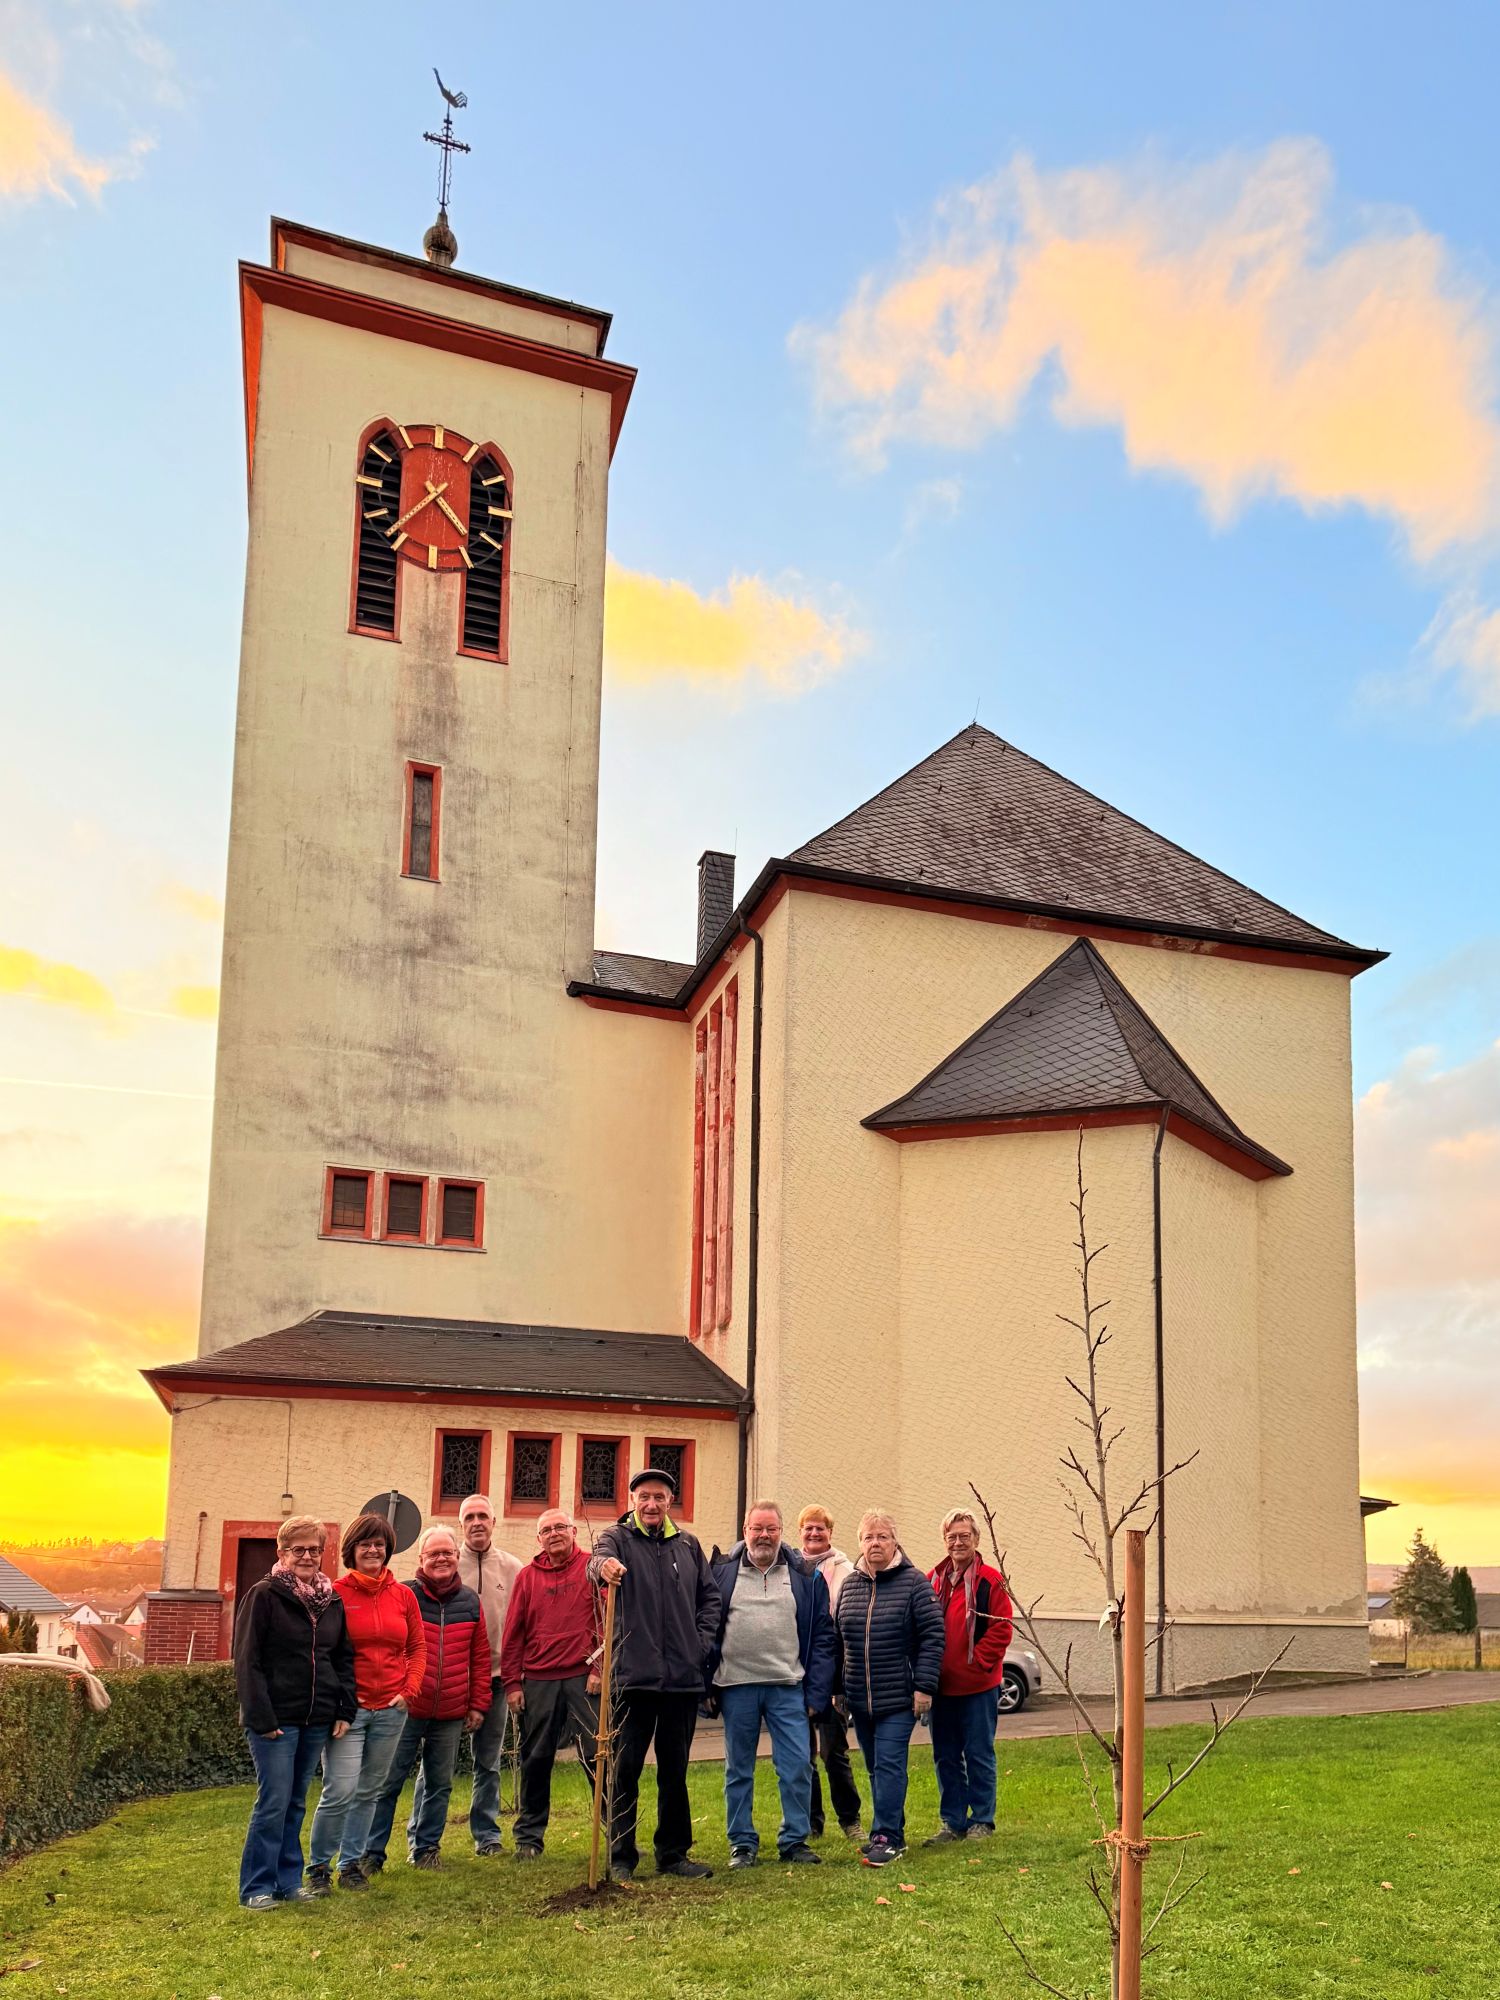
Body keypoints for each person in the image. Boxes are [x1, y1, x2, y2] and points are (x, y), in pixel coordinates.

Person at [588, 1465, 721, 1883]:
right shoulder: (617, 1539)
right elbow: (595, 1561)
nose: (651, 1504)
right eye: (643, 1496)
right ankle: (622, 1856)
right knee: (624, 1769)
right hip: (633, 1678)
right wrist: (604, 1567)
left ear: (669, 1503)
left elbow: (710, 1597)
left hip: (681, 1681)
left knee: (674, 1771)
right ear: (633, 1501)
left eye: (659, 1497)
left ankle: (673, 1854)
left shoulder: (687, 1545)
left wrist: (699, 1645)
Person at [233, 1515, 357, 1909]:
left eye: (314, 1549)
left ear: (323, 1553)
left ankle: (288, 1882)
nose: (307, 1556)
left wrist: (343, 1708)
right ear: (282, 1553)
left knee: (296, 1801)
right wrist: (262, 1718)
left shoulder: (330, 1599)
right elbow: (246, 1660)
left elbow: (341, 1658)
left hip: (317, 1718)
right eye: (298, 1549)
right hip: (276, 1722)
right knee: (273, 1801)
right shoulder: (265, 1594)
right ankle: (256, 1887)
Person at [707, 1500, 836, 1870]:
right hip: (736, 1686)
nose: (764, 1536)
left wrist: (817, 1692)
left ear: (781, 1532)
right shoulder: (722, 1573)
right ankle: (742, 1843)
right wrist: (707, 1686)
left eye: (771, 1529)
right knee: (738, 1769)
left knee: (797, 1766)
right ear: (745, 1531)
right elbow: (707, 1626)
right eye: (757, 1528)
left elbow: (823, 1636)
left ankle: (794, 1840)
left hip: (788, 1686)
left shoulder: (804, 1574)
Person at [304, 1513, 426, 1893]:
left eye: (379, 1544)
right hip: (348, 1712)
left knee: (370, 1791)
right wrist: (340, 1699)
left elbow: (417, 1647)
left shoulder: (404, 1595)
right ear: (351, 1551)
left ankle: (351, 1864)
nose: (373, 1550)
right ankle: (319, 1868)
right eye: (365, 1544)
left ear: (388, 1549)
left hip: (391, 1711)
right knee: (339, 1789)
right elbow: (321, 1652)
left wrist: (409, 1690)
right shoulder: (334, 1594)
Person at [362, 1526, 491, 1872]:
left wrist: (478, 1704)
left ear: (457, 1556)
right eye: (433, 1553)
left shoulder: (470, 1601)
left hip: (449, 1712)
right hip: (404, 1710)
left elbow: (480, 1659)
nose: (441, 1559)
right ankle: (371, 1853)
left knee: (439, 1785)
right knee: (387, 1784)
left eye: (447, 1552)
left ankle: (426, 1849)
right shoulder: (403, 1595)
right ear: (421, 1559)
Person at [833, 1508, 944, 1868]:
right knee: (875, 1767)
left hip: (899, 1697)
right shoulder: (850, 1585)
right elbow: (839, 1641)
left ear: (895, 1541)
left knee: (890, 1764)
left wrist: (924, 1687)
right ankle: (888, 1829)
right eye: (868, 1537)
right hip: (859, 1699)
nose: (875, 1543)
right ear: (860, 1543)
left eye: (882, 1536)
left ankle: (888, 1837)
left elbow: (932, 1637)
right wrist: (839, 1688)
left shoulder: (914, 1583)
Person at [501, 1507, 602, 1859]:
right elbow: (513, 1633)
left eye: (561, 1527)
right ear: (539, 1539)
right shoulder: (527, 1577)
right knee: (536, 1758)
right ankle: (529, 1839)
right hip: (539, 1680)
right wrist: (512, 1683)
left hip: (584, 1679)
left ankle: (615, 1833)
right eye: (547, 1530)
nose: (554, 1533)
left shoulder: (592, 1567)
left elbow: (608, 1619)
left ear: (574, 1531)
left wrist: (600, 1667)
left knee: (599, 1756)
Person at [925, 1508, 1014, 1844]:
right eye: (952, 1536)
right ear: (945, 1541)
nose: (958, 1542)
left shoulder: (991, 1580)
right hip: (941, 1689)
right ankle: (952, 1822)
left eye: (964, 1536)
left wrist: (976, 1664)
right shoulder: (933, 1580)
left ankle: (982, 1820)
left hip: (978, 1687)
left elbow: (1002, 1629)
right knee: (945, 1757)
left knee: (978, 1754)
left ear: (976, 1539)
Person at [445, 1494, 522, 1857]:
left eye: (483, 1516)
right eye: (469, 1517)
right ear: (461, 1525)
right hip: (451, 1681)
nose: (477, 1522)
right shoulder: (445, 1562)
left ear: (494, 1522)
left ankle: (487, 1835)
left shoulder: (512, 1568)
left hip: (495, 1680)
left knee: (488, 1762)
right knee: (436, 1765)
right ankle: (423, 1838)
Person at [797, 1503, 864, 1841]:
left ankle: (850, 1820)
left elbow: (846, 1622)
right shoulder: (790, 1567)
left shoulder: (845, 1569)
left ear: (830, 1533)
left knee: (833, 1751)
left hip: (833, 1671)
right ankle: (811, 1822)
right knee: (801, 1754)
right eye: (808, 1527)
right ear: (800, 1532)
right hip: (796, 1672)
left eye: (820, 1528)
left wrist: (842, 1680)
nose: (814, 1533)